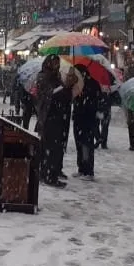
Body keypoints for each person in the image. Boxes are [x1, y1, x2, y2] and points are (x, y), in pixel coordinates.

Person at [33, 55, 75, 188]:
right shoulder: (43, 77)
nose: (56, 65)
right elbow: (48, 95)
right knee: (49, 148)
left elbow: (63, 96)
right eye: (54, 63)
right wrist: (64, 87)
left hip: (58, 117)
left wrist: (68, 86)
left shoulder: (56, 77)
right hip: (48, 118)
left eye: (58, 63)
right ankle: (48, 174)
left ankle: (53, 173)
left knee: (56, 148)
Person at [72, 66, 100, 180]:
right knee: (79, 144)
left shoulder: (92, 84)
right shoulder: (78, 84)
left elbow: (94, 102)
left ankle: (89, 171)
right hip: (78, 118)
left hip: (88, 120)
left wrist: (83, 102)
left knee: (86, 145)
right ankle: (81, 168)